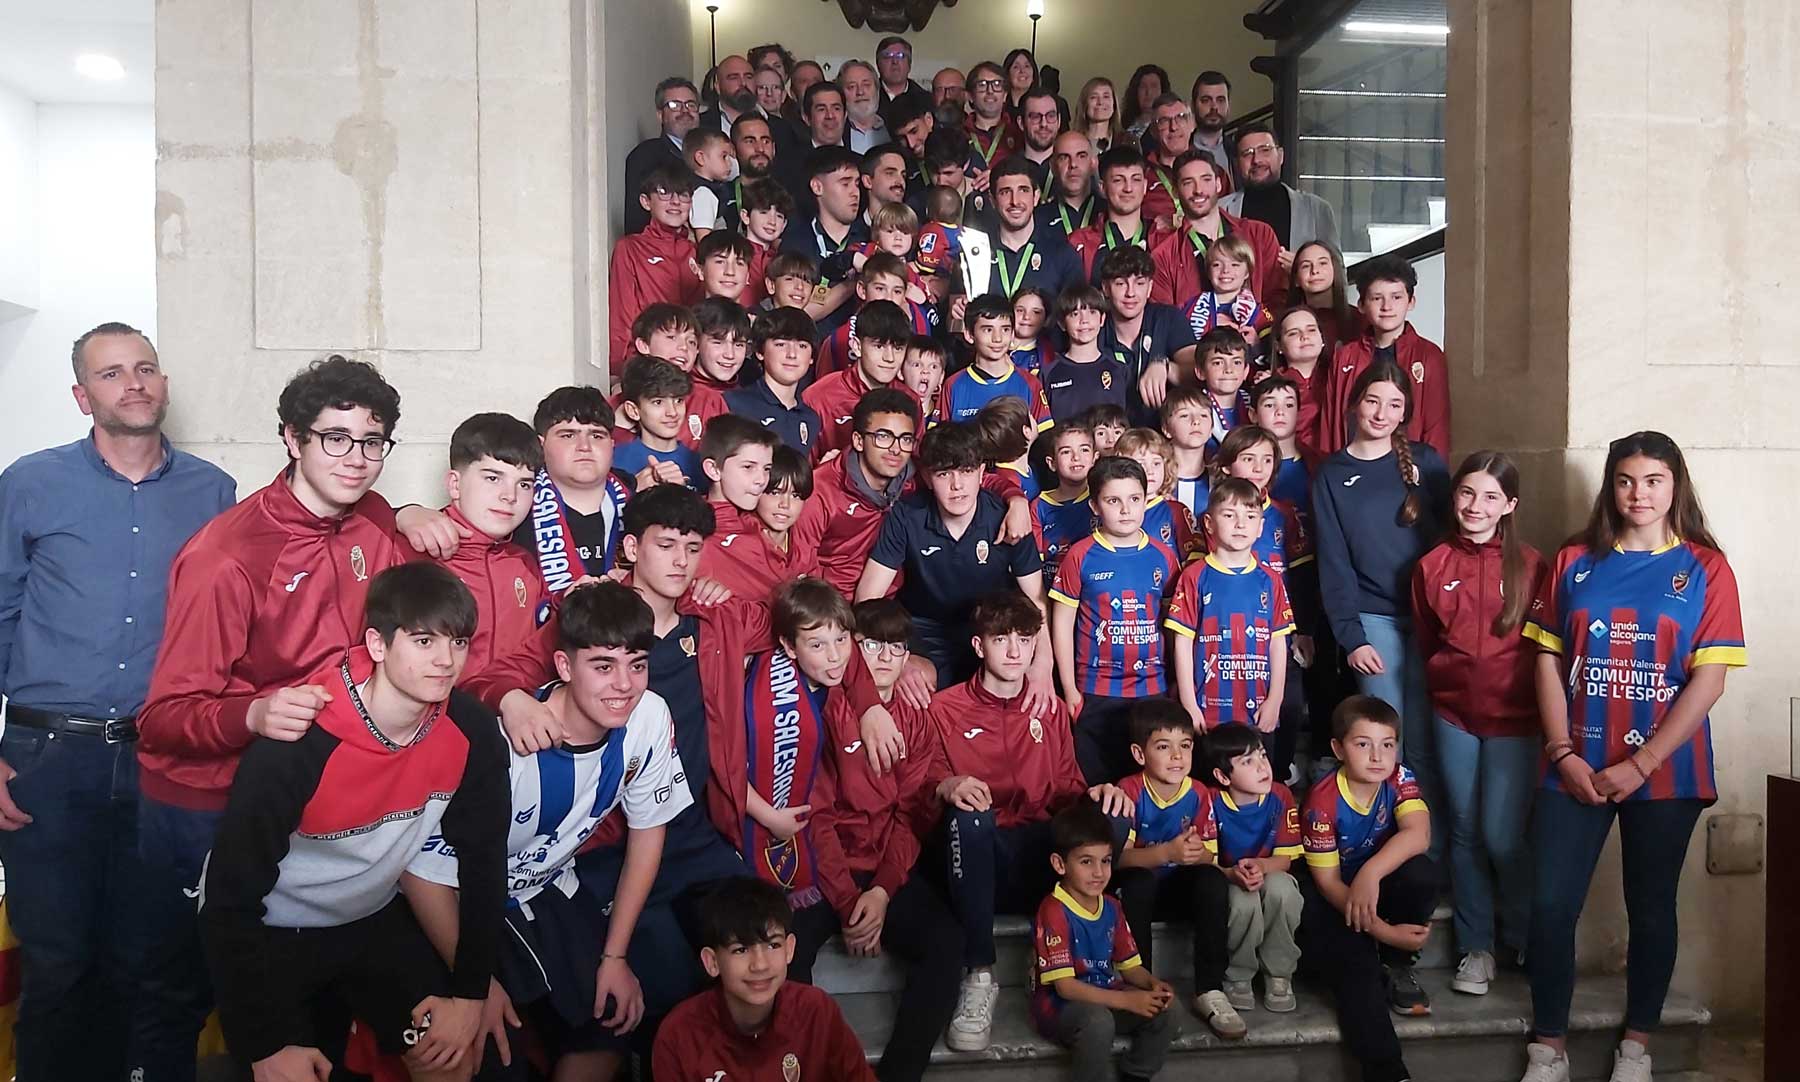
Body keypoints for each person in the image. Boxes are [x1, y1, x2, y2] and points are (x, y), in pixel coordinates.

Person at [134, 356, 409, 1081]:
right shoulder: (226, 555)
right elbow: (162, 718)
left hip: (303, 799)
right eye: (335, 438)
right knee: (183, 993)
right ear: (292, 438)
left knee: (295, 1000)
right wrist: (252, 713)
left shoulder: (372, 520)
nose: (356, 458)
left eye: (372, 441)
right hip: (203, 804)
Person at [0, 322, 235, 1081]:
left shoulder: (213, 493)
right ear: (82, 396)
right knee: (58, 964)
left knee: (153, 962)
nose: (132, 383)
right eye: (110, 374)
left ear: (163, 383)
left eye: (145, 368)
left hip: (162, 757)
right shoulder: (29, 483)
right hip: (46, 758)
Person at [198, 563, 509, 1081]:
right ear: (378, 644)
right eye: (424, 641)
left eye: (458, 642)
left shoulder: (472, 732)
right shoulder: (297, 743)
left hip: (370, 919)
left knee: (450, 1056)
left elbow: (484, 866)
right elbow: (229, 901)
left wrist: (471, 993)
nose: (445, 661)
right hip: (271, 930)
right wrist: (265, 1044)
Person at [1516, 432, 1746, 1082]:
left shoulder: (1706, 568)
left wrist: (1641, 764)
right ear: (1610, 487)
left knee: (1651, 909)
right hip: (1574, 765)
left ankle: (1636, 1048)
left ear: (1675, 486)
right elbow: (1546, 660)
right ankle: (1548, 1049)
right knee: (1551, 908)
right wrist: (1562, 753)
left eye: (1652, 480)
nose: (1637, 493)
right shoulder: (1574, 560)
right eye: (1625, 480)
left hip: (1667, 770)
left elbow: (1709, 680)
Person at [404, 580, 691, 1080]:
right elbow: (420, 872)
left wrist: (615, 956)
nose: (624, 685)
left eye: (637, 664)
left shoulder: (649, 717)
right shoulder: (501, 745)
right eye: (603, 666)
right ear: (564, 666)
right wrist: (475, 984)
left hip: (547, 885)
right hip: (456, 900)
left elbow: (649, 833)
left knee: (614, 1021)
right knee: (479, 1055)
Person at [924, 591, 1130, 1052]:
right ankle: (979, 973)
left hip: (1040, 854)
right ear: (979, 646)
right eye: (1001, 639)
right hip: (980, 855)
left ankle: (1092, 956)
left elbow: (1068, 787)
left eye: (1024, 639)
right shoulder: (944, 709)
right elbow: (922, 788)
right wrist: (946, 785)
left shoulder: (1047, 706)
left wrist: (1099, 794)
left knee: (1112, 817)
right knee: (969, 818)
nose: (1015, 651)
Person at [1410, 450, 1549, 997]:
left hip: (1516, 720)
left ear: (1509, 505)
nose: (1476, 505)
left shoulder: (1534, 566)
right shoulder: (1432, 565)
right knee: (1465, 832)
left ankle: (1524, 934)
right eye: (1467, 492)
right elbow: (1428, 642)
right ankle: (1476, 948)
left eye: (1491, 496)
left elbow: (1548, 648)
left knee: (1502, 836)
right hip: (1454, 716)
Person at [808, 598, 964, 1081]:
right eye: (872, 645)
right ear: (852, 649)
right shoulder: (824, 708)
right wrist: (846, 901)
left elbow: (909, 814)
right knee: (779, 947)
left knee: (946, 943)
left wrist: (880, 891)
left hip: (882, 871)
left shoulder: (916, 719)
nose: (884, 657)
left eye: (896, 648)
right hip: (821, 871)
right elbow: (815, 818)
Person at [1311, 361, 1452, 862]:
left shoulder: (1426, 463)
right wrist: (1352, 636)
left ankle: (1428, 858)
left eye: (1394, 404)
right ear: (1354, 403)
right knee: (1385, 744)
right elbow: (1333, 561)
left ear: (1405, 412)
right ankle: (1384, 855)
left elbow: (1452, 542)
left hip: (1428, 618)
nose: (1381, 413)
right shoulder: (1332, 474)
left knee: (1426, 744)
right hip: (1373, 622)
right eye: (1373, 400)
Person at [1300, 695, 1436, 1082]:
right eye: (1363, 744)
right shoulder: (1321, 803)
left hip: (1372, 882)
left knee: (1421, 873)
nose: (1378, 757)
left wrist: (1371, 873)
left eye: (1387, 745)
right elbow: (1328, 883)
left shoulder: (1399, 777)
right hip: (1332, 895)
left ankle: (1397, 963)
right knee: (1356, 968)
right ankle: (1389, 1072)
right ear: (1338, 749)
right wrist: (1385, 931)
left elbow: (1419, 834)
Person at [858, 422, 1048, 685]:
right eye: (944, 474)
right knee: (917, 685)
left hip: (992, 630)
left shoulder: (1008, 517)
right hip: (924, 630)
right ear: (927, 478)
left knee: (1015, 685)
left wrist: (1043, 664)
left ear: (981, 473)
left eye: (966, 471)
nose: (957, 485)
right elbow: (868, 598)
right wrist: (898, 657)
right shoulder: (906, 515)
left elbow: (1037, 599)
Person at [650, 877, 877, 1081]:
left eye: (773, 945)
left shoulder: (817, 1011)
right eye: (741, 949)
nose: (760, 965)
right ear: (712, 962)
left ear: (789, 949)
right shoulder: (679, 1035)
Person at [1109, 701, 1242, 1040]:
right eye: (1163, 747)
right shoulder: (1129, 790)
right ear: (1139, 754)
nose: (1177, 757)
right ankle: (1140, 985)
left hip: (1177, 890)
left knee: (1212, 879)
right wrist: (1166, 852)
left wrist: (1195, 853)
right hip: (1139, 893)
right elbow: (1116, 860)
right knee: (1137, 882)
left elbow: (1209, 853)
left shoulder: (1197, 792)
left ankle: (1209, 989)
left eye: (1185, 745)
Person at [1050, 456, 1181, 784]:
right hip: (1096, 690)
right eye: (1113, 501)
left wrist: (1176, 682)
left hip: (1152, 688)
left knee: (1149, 784)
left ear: (1146, 499)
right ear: (1095, 506)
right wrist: (1070, 688)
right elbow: (1062, 625)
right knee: (1100, 788)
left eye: (1134, 499)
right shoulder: (1080, 555)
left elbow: (1174, 627)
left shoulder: (1164, 556)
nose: (1126, 510)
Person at [1031, 800, 1176, 1081]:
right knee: (1098, 1022)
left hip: (1105, 993)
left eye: (1106, 861)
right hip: (1060, 1006)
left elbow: (1129, 967)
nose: (1099, 872)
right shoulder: (1054, 910)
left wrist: (1151, 984)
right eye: (1086, 862)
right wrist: (1126, 1000)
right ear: (1060, 864)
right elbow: (1065, 987)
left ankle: (1135, 1074)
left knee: (1167, 1009)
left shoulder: (1111, 906)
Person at [1166, 478, 1295, 750]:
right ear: (1209, 523)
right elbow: (1183, 643)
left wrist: (1275, 700)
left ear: (1261, 527)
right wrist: (1189, 703)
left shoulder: (1271, 580)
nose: (1240, 524)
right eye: (1229, 515)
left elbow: (1278, 643)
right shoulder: (1194, 576)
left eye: (1250, 516)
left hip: (1258, 712)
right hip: (1208, 713)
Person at [427, 413, 549, 681]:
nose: (510, 496)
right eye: (493, 478)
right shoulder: (417, 553)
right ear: (455, 484)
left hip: (517, 702)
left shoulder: (525, 563)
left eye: (524, 484)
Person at [1203, 724, 1305, 1016]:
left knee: (1283, 890)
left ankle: (1279, 973)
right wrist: (1232, 874)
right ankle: (1238, 974)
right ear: (1223, 776)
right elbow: (1206, 861)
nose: (1262, 767)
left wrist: (1261, 866)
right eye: (1247, 762)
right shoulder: (1210, 800)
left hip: (1270, 872)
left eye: (1262, 756)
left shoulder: (1280, 795)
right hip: (1228, 876)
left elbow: (1285, 859)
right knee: (1241, 900)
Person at [1317, 253, 1451, 460]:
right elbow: (1330, 424)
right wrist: (1330, 469)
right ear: (1361, 305)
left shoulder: (1429, 356)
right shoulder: (1344, 357)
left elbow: (1437, 428)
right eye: (1376, 298)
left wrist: (1430, 474)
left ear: (1411, 302)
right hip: (1352, 467)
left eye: (1396, 297)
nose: (1387, 306)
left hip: (1408, 468)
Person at [514, 386, 631, 582]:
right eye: (568, 435)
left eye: (596, 436)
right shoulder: (514, 507)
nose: (584, 446)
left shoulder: (641, 505)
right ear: (541, 445)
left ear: (612, 445)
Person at [1150, 150, 1283, 312]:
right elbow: (1164, 319)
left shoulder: (1260, 235)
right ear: (1175, 192)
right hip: (1193, 329)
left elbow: (1277, 301)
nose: (1198, 190)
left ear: (1218, 184)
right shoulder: (1163, 257)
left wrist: (1256, 324)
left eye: (1206, 180)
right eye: (1188, 183)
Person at [608, 164, 701, 370]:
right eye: (664, 192)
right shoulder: (631, 247)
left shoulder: (696, 252)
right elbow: (622, 313)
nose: (675, 201)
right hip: (647, 362)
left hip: (689, 362)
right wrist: (617, 368)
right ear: (645, 201)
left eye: (683, 194)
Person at [1094, 246, 1195, 426]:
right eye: (1120, 284)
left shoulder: (1168, 318)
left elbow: (1198, 371)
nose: (1130, 293)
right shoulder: (1093, 325)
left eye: (1139, 283)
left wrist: (1165, 367)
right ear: (1106, 288)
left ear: (1150, 288)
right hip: (1109, 432)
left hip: (1163, 432)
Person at [802, 298, 915, 458]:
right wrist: (828, 469)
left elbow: (916, 467)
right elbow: (800, 468)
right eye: (879, 346)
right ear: (856, 346)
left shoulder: (911, 401)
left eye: (898, 348)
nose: (889, 358)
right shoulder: (818, 398)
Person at [694, 415, 789, 597]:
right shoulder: (700, 537)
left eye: (767, 469)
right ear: (714, 470)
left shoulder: (753, 523)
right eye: (748, 467)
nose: (761, 480)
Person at [1222, 124, 1340, 269]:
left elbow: (1338, 271)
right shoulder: (1221, 210)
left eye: (1265, 150)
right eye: (1247, 153)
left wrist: (1302, 268)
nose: (1257, 160)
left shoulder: (1316, 209)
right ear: (1236, 163)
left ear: (1281, 156)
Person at [781, 145, 868, 331]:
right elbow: (795, 315)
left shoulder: (870, 239)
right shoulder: (795, 244)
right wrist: (858, 280)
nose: (855, 192)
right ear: (817, 187)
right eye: (845, 183)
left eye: (857, 183)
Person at [981, 157, 1084, 302]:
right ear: (992, 201)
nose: (1015, 201)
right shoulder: (975, 252)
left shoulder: (1063, 254)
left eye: (1023, 190)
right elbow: (958, 310)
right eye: (1005, 192)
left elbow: (1075, 312)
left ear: (1036, 197)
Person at [941, 294, 1052, 426]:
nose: (997, 338)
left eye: (1005, 329)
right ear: (969, 335)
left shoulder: (1030, 384)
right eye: (988, 330)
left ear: (1012, 334)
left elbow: (1045, 437)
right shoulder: (953, 385)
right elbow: (939, 437)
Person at [728, 305, 823, 455]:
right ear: (760, 352)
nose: (792, 354)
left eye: (802, 346)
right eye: (781, 344)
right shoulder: (735, 404)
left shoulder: (811, 419)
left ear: (812, 357)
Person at [1069, 147, 1170, 283]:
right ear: (1102, 188)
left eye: (1136, 180)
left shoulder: (1166, 241)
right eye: (1118, 180)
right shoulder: (1079, 243)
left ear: (1145, 186)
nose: (1128, 188)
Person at [612, 356, 706, 491]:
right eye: (658, 402)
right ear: (633, 411)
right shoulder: (614, 461)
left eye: (678, 400)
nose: (672, 412)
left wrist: (682, 491)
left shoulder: (700, 465)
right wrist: (634, 488)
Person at [1176, 236, 1273, 364]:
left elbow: (1275, 349)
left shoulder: (1258, 311)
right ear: (1209, 272)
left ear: (1247, 273)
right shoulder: (1190, 307)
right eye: (1217, 265)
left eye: (1235, 264)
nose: (1226, 270)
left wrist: (1256, 344)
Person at [623, 77, 700, 234]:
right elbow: (636, 221)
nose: (685, 111)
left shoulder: (715, 153)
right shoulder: (645, 156)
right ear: (660, 115)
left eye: (691, 105)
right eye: (675, 105)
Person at [1044, 284, 1129, 421]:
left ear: (1102, 319)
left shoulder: (1119, 370)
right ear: (1062, 323)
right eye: (1075, 314)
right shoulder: (1048, 374)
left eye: (1092, 312)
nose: (1084, 321)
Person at [1110, 428, 1196, 559]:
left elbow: (1195, 558)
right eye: (1141, 463)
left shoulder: (1176, 511)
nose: (1150, 471)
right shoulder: (1110, 509)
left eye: (1156, 463)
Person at [1033, 420, 1098, 574]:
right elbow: (1032, 563)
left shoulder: (1103, 497)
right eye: (1066, 452)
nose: (1076, 457)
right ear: (1051, 463)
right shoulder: (1039, 507)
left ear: (1095, 458)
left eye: (1084, 450)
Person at [1267, 306, 1328, 451]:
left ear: (1322, 338)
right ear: (1278, 346)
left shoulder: (1340, 377)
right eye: (1293, 333)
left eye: (1311, 330)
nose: (1304, 336)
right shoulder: (1270, 387)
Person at [1286, 239, 1361, 354]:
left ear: (1335, 270)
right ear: (1296, 279)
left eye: (1322, 263)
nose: (1315, 271)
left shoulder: (1359, 319)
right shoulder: (1287, 322)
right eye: (1306, 266)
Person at [1140, 94, 1194, 232]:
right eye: (1164, 121)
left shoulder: (1214, 172)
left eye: (1181, 117)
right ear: (1153, 131)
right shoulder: (1141, 176)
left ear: (1192, 124)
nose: (1173, 127)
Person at [1159, 384, 1213, 518]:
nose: (1196, 421)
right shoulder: (1154, 478)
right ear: (1166, 429)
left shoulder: (1219, 480)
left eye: (1203, 415)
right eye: (1184, 415)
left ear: (1212, 429)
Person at [1038, 130, 1102, 237]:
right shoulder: (1037, 219)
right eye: (1064, 157)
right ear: (1053, 167)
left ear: (1094, 163)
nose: (1073, 164)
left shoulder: (1109, 214)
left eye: (1081, 156)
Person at [964, 61, 1023, 174]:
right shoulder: (959, 134)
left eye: (997, 84)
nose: (990, 91)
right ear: (970, 96)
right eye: (982, 85)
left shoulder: (1019, 133)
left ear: (1005, 95)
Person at [683, 127, 736, 236]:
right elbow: (704, 237)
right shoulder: (703, 194)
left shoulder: (702, 188)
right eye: (724, 156)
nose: (730, 163)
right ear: (700, 158)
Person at [876, 35, 933, 127]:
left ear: (909, 64)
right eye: (888, 56)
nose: (895, 61)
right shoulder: (868, 97)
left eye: (900, 56)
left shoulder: (926, 100)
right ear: (878, 64)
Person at [1188, 71, 1234, 183]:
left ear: (1229, 105)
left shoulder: (1236, 151)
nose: (1214, 107)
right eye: (1206, 100)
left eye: (1220, 100)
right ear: (1193, 106)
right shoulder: (1182, 151)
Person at [838, 59, 891, 152]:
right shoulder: (835, 132)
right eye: (852, 87)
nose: (860, 92)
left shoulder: (892, 127)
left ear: (877, 90)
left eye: (866, 85)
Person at [1018, 87, 1065, 190]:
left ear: (1059, 121)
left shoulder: (1070, 167)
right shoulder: (1009, 170)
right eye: (1035, 117)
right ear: (1021, 123)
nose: (1044, 124)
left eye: (1051, 116)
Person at [1074, 77, 1126, 153]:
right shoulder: (1071, 142)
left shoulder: (1126, 142)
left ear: (1114, 104)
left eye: (1106, 97)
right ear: (1085, 104)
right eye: (1093, 97)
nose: (1100, 102)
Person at [1121, 65, 1170, 144]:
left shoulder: (1170, 127)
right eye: (1143, 86)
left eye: (1154, 86)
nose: (1148, 92)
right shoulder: (1122, 126)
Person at [801, 80, 850, 150]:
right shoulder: (793, 157)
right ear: (806, 118)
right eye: (821, 109)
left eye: (836, 108)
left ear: (845, 115)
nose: (830, 116)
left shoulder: (858, 156)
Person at [1002, 49, 1039, 122]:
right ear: (1007, 74)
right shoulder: (999, 108)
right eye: (1016, 67)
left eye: (1027, 66)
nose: (1022, 71)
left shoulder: (1043, 107)